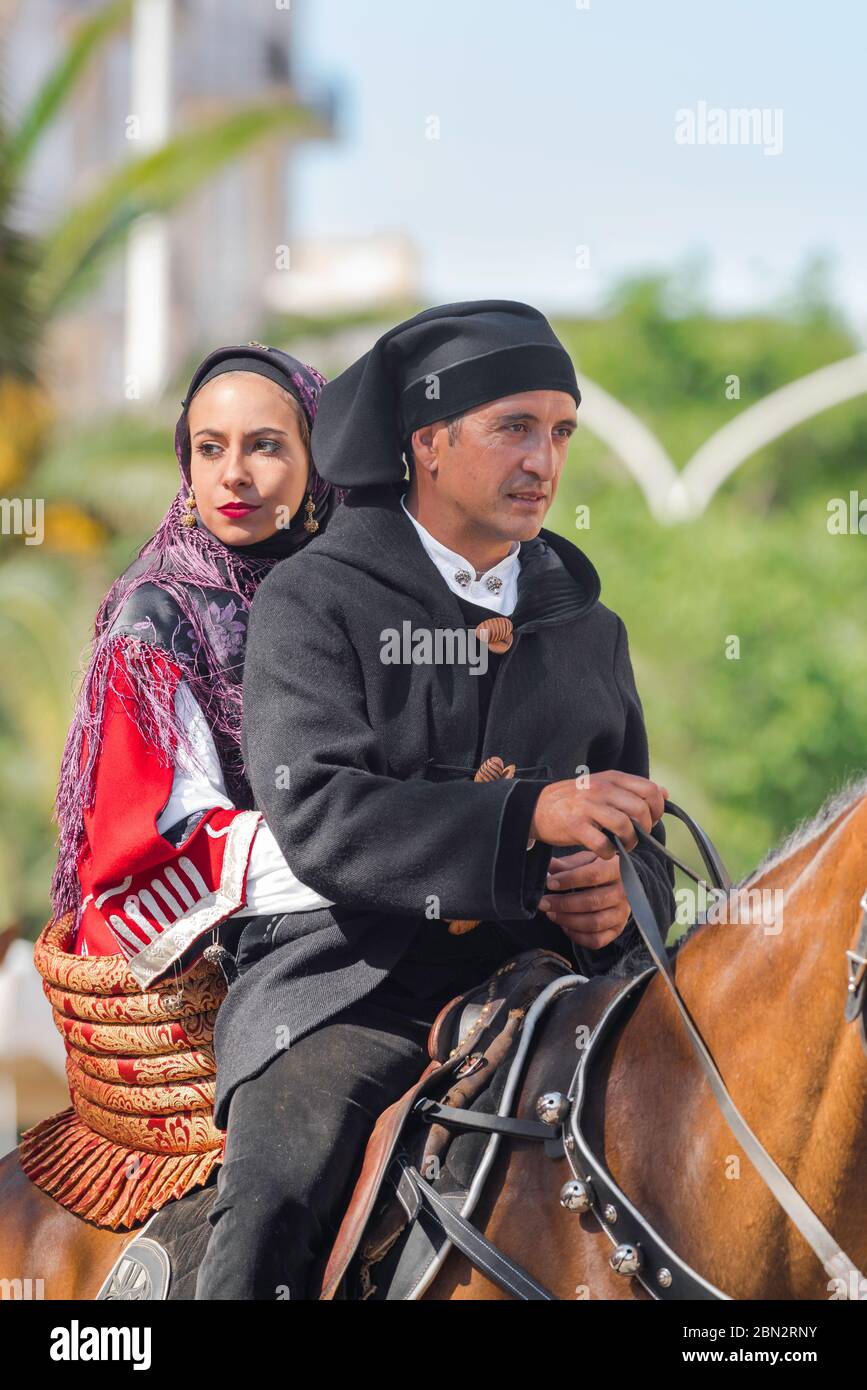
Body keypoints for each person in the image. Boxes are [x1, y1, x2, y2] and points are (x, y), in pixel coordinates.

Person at [196, 300, 676, 1301]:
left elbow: (635, 838)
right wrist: (528, 816)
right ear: (426, 443)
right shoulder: (315, 598)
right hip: (350, 988)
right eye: (514, 427)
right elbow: (319, 812)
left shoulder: (594, 632)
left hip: (553, 984)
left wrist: (625, 898)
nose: (544, 459)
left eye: (561, 431)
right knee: (279, 1192)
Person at [50, 344, 341, 986]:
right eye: (210, 448)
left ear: (318, 460)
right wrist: (396, 857)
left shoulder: (362, 588)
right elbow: (163, 841)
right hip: (221, 958)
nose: (232, 474)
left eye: (264, 446)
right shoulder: (155, 617)